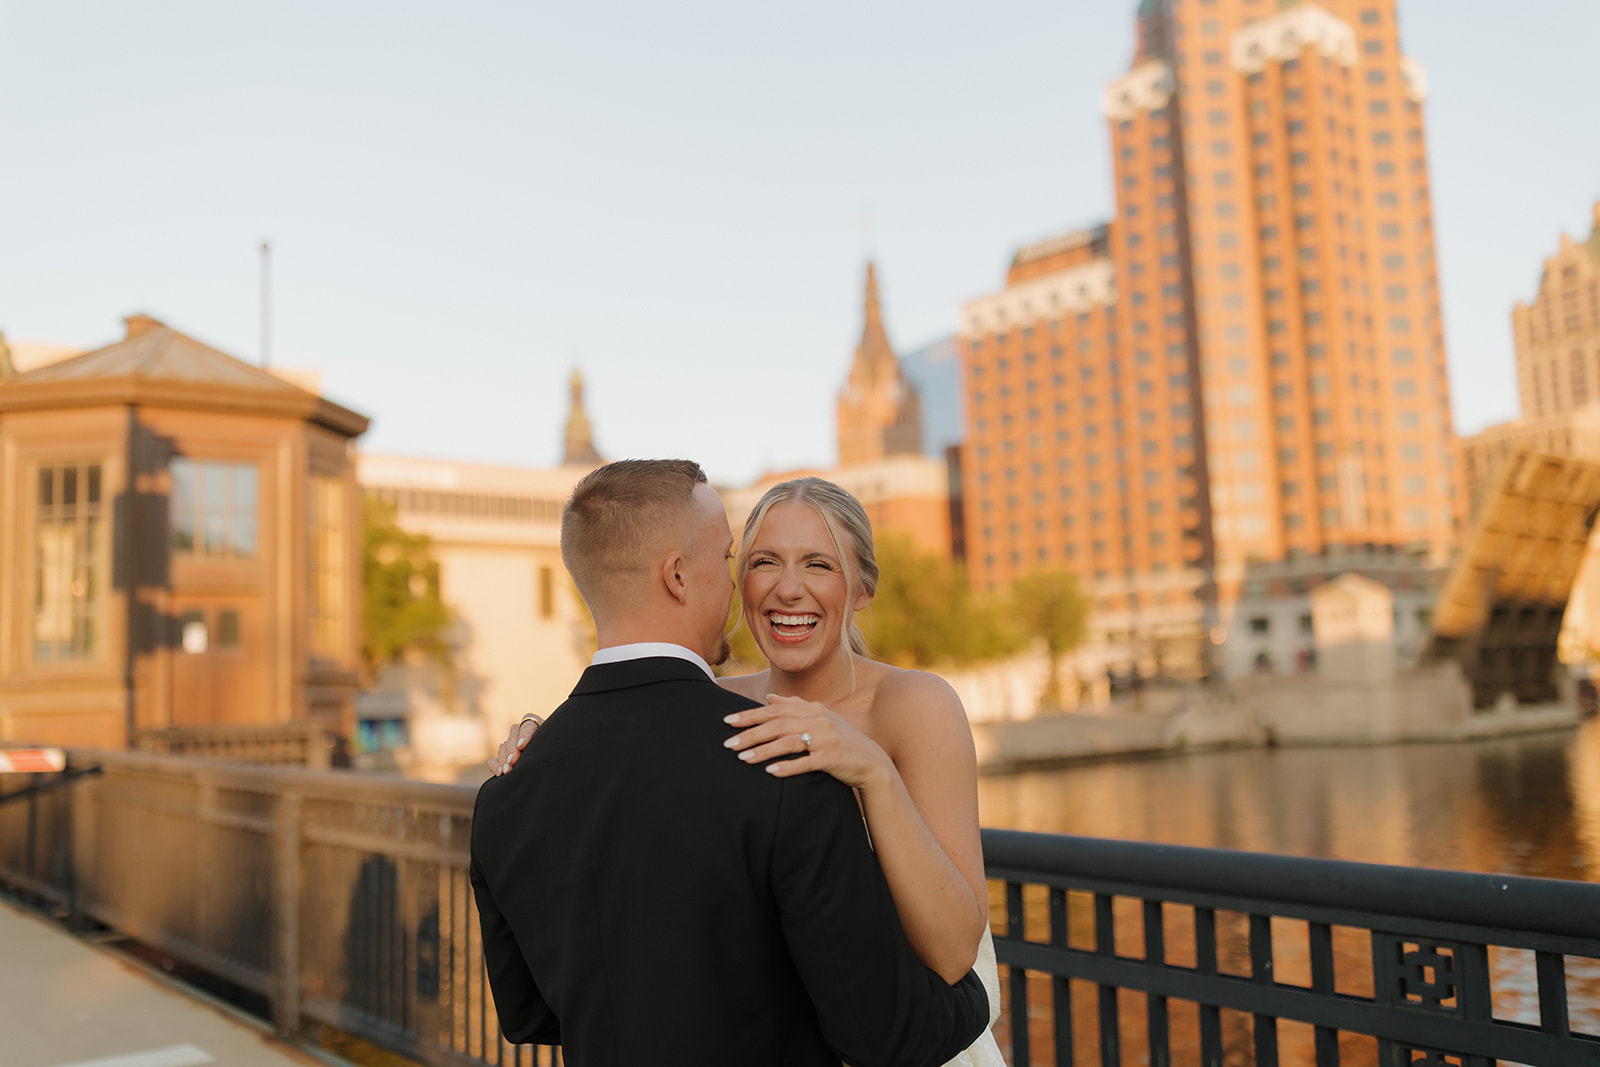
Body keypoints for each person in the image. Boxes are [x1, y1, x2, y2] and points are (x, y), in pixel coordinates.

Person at [469, 459, 988, 1067]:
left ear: (862, 589)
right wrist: (540, 737)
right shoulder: (758, 744)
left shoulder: (502, 801)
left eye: (819, 563)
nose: (786, 587)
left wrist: (874, 770)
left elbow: (531, 1011)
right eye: (753, 561)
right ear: (689, 577)